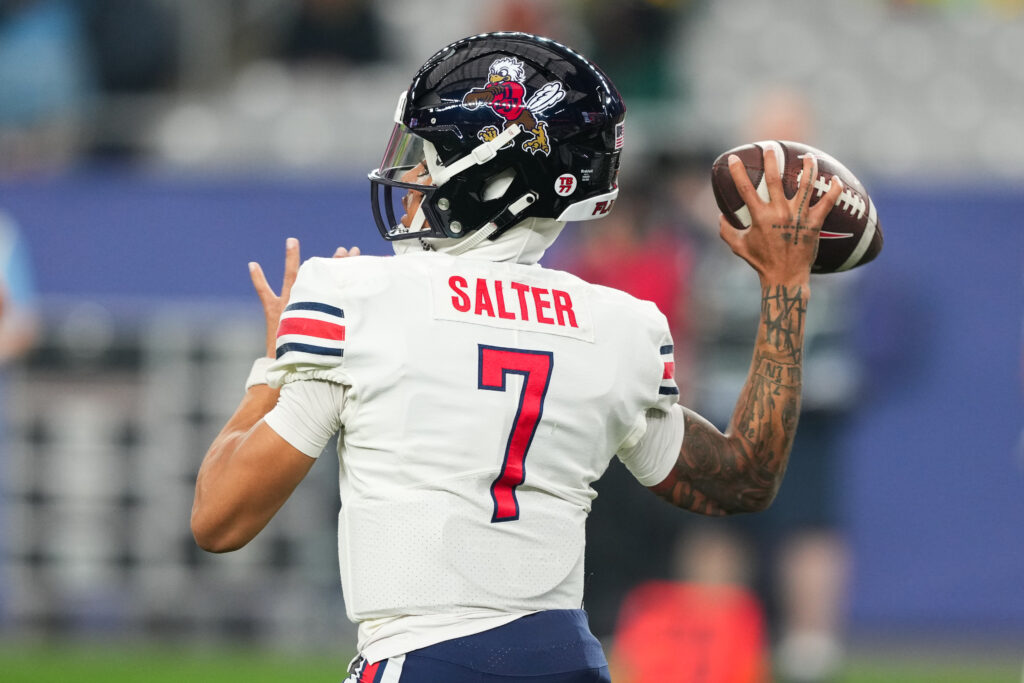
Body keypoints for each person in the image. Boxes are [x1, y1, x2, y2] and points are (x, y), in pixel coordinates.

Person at [191, 32, 843, 682]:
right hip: (568, 661)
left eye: (431, 154)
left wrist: (274, 370)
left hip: (425, 658)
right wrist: (785, 288)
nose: (413, 173)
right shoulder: (618, 324)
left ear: (491, 173)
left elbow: (218, 519)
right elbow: (745, 477)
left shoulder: (358, 298)